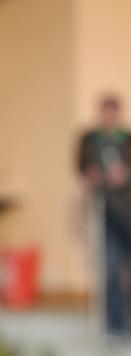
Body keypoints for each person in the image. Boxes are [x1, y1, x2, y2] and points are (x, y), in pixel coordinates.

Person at [79, 95, 131, 341]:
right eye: (105, 112)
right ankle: (115, 326)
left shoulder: (126, 139)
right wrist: (93, 177)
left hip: (127, 210)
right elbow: (82, 167)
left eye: (112, 112)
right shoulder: (90, 140)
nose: (109, 117)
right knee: (111, 268)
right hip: (105, 210)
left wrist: (125, 175)